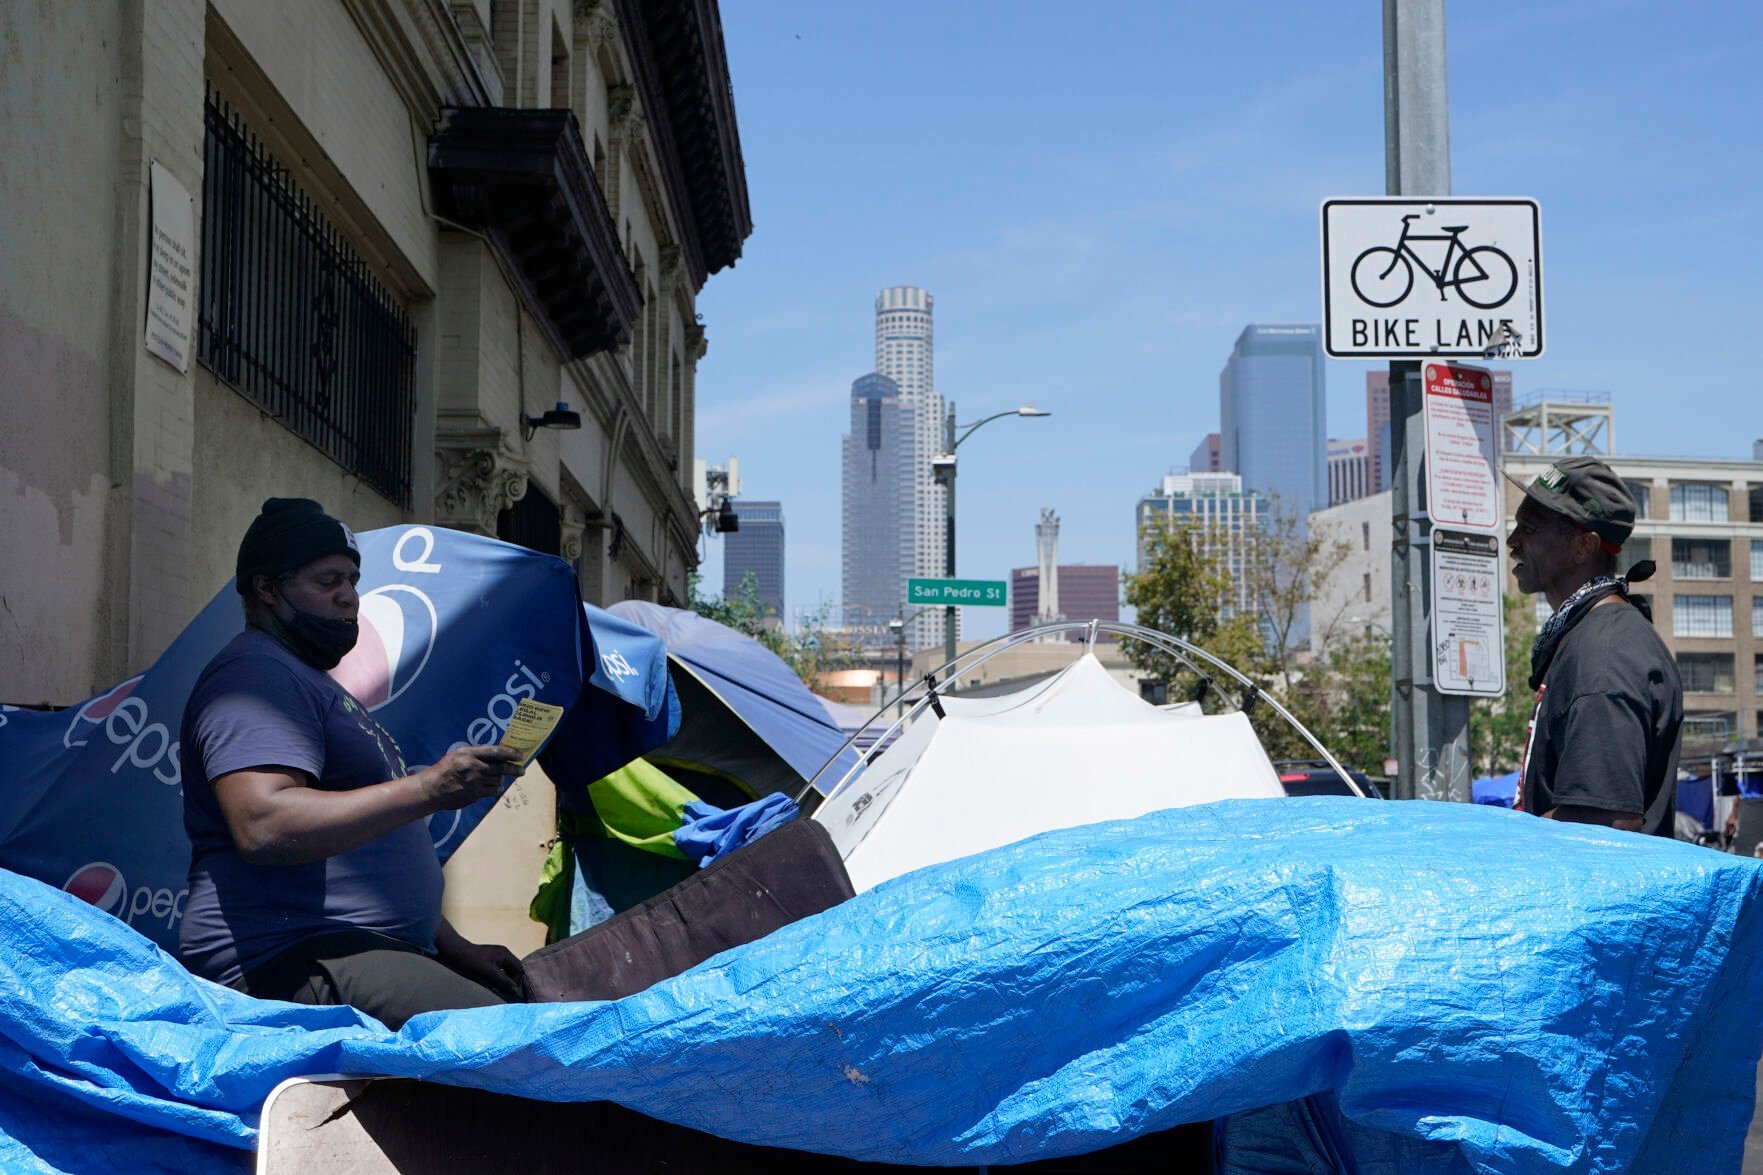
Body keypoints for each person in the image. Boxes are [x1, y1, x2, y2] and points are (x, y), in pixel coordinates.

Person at [179, 498, 530, 1028]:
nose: (349, 596)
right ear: (267, 589)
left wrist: (455, 947)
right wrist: (428, 789)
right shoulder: (256, 674)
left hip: (354, 946)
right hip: (285, 956)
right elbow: (263, 824)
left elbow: (368, 855)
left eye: (352, 580)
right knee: (509, 1040)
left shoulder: (309, 681)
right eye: (328, 581)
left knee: (524, 1019)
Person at [1505, 457, 1680, 836]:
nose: (1512, 541)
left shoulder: (1605, 654)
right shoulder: (1587, 635)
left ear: (1584, 546)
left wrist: (1503, 837)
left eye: (1529, 528)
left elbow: (1606, 820)